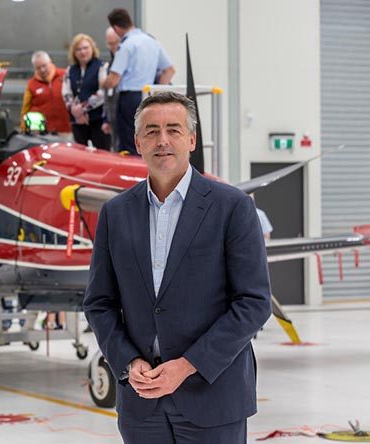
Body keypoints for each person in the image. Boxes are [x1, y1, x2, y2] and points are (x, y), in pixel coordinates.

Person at [83, 92, 271, 443]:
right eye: (152, 131)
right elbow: (99, 302)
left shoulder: (232, 208)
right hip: (142, 402)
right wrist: (127, 362)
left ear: (192, 140)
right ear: (138, 142)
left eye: (174, 129)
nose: (163, 140)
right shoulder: (116, 213)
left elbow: (253, 303)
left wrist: (186, 366)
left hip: (212, 396)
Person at [101, 8, 175, 155]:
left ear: (116, 28)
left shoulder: (126, 45)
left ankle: (131, 175)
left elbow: (114, 79)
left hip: (129, 99)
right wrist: (159, 92)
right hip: (149, 96)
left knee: (129, 142)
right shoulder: (152, 41)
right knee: (149, 138)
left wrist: (103, 82)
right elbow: (169, 70)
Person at [62, 33, 111, 150]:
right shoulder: (70, 70)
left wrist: (83, 108)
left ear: (92, 49)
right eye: (78, 49)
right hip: (77, 122)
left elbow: (102, 92)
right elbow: (66, 92)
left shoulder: (102, 66)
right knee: (79, 155)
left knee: (102, 155)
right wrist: (74, 109)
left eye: (85, 48)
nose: (82, 52)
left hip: (98, 120)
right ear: (74, 52)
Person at [19, 51, 72, 138]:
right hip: (44, 134)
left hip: (67, 131)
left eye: (44, 66)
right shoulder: (31, 85)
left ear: (50, 62)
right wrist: (23, 130)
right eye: (38, 68)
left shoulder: (65, 75)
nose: (42, 70)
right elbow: (25, 109)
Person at [103, 26, 120, 150]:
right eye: (109, 44)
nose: (112, 47)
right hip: (113, 118)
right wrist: (106, 119)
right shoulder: (110, 65)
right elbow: (106, 94)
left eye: (115, 43)